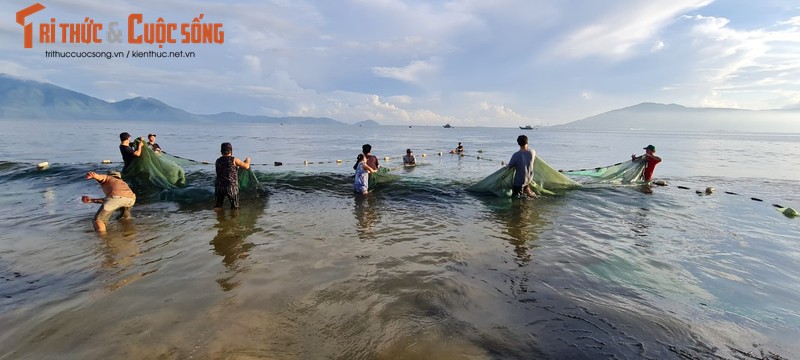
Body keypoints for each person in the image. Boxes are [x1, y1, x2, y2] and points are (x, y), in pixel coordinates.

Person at [215, 142, 251, 210]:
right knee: (235, 207)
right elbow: (246, 166)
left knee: (218, 206)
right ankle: (233, 219)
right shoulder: (234, 159)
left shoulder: (218, 161)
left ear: (221, 152)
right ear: (231, 151)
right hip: (231, 186)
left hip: (219, 186)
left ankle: (219, 219)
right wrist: (248, 160)